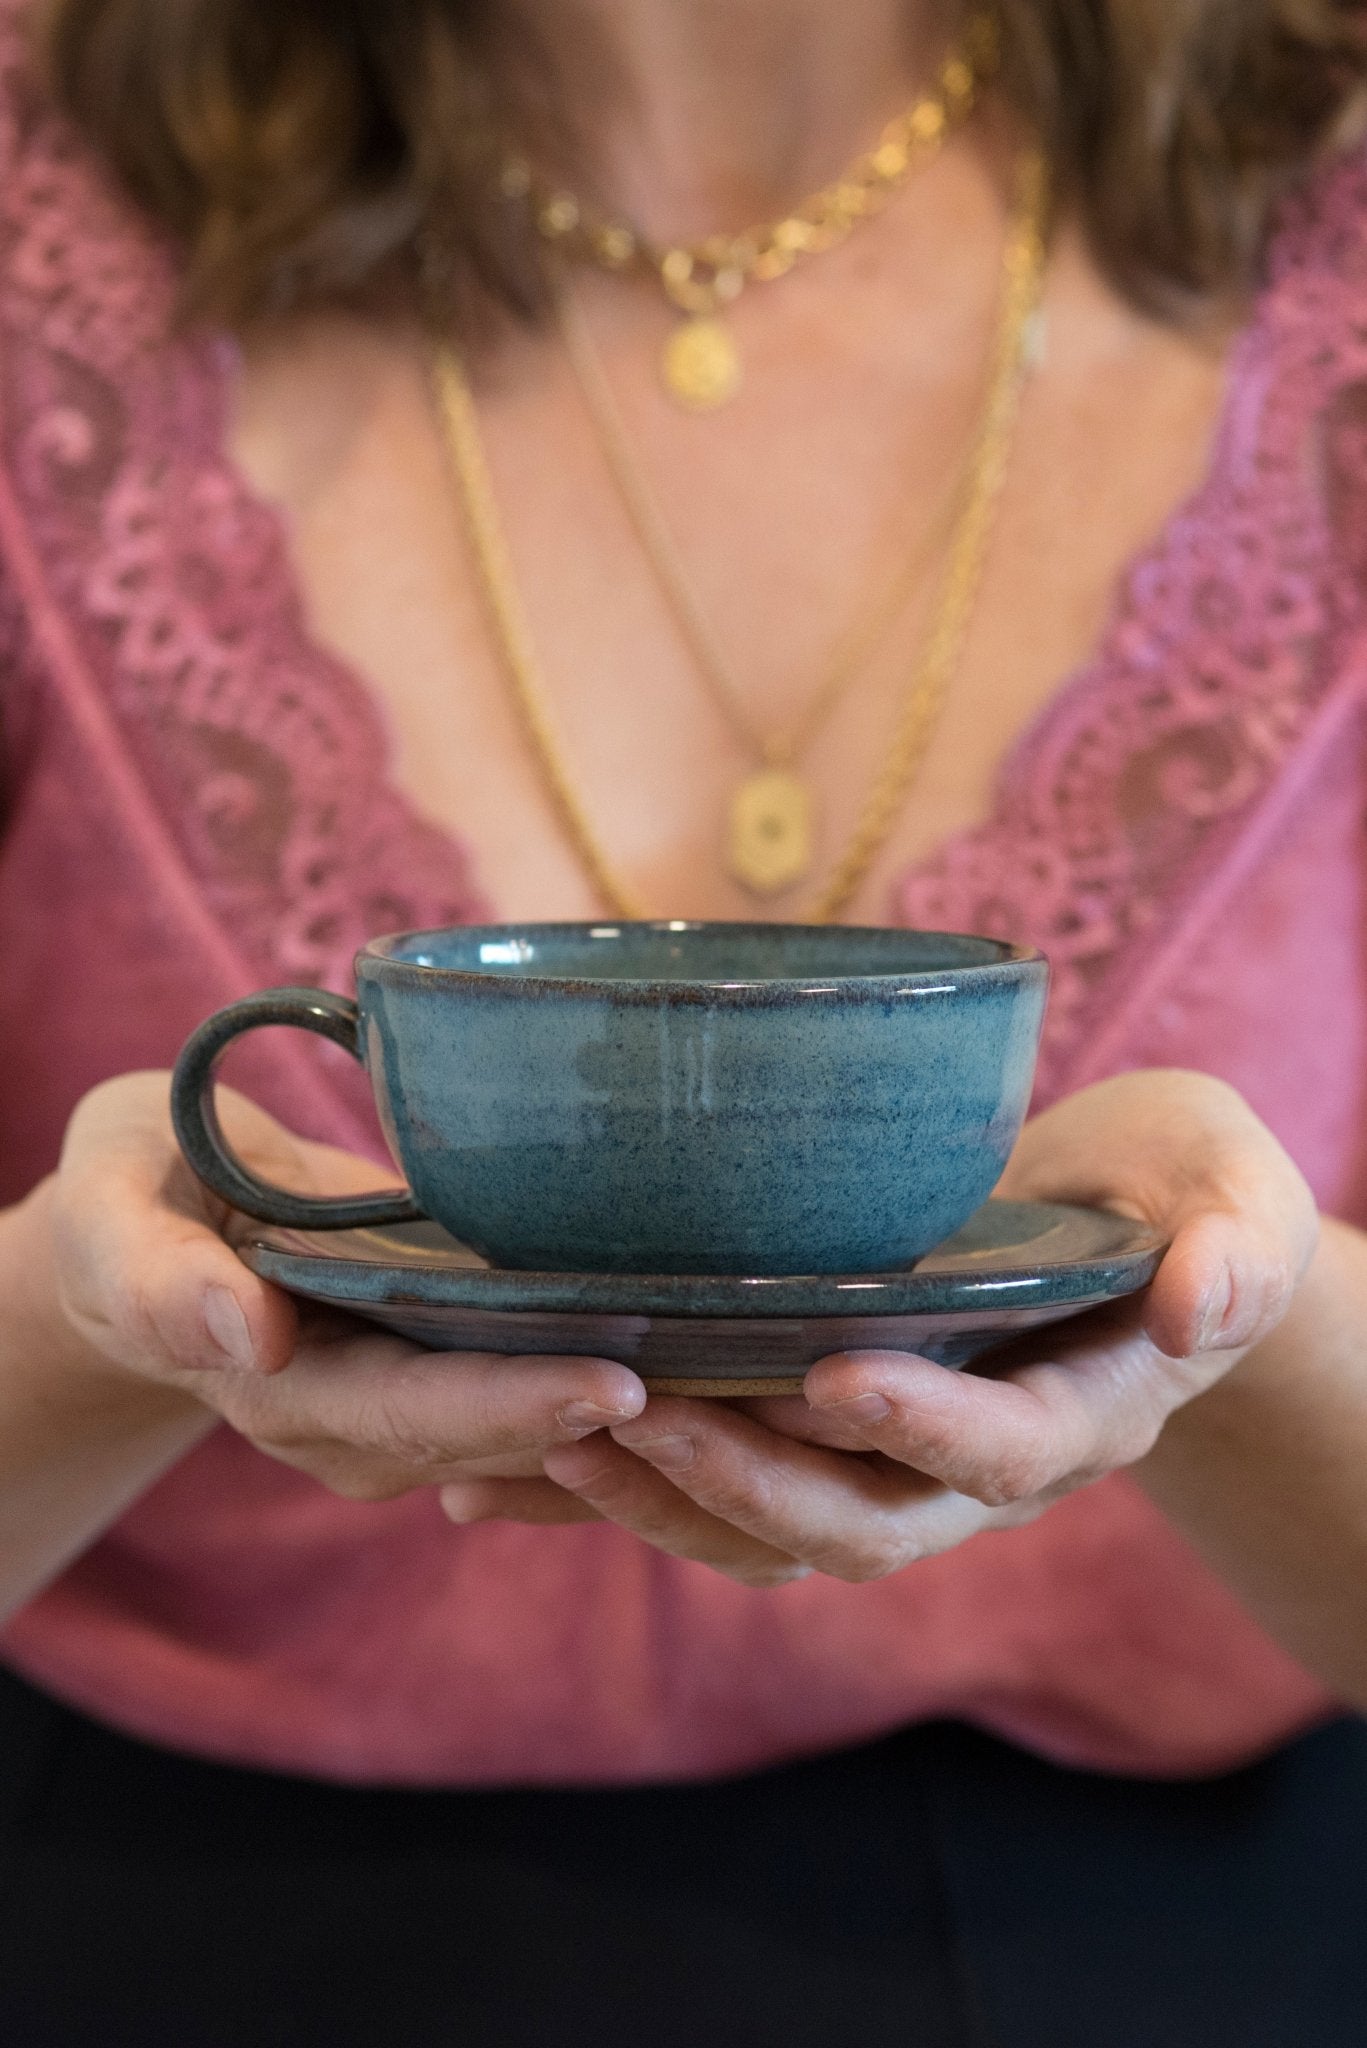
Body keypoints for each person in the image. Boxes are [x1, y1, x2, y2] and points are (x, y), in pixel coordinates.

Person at [0, 0, 1366, 2038]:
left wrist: (1239, 1324)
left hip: (1177, 1935)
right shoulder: (49, 207)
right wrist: (87, 1318)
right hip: (163, 1920)